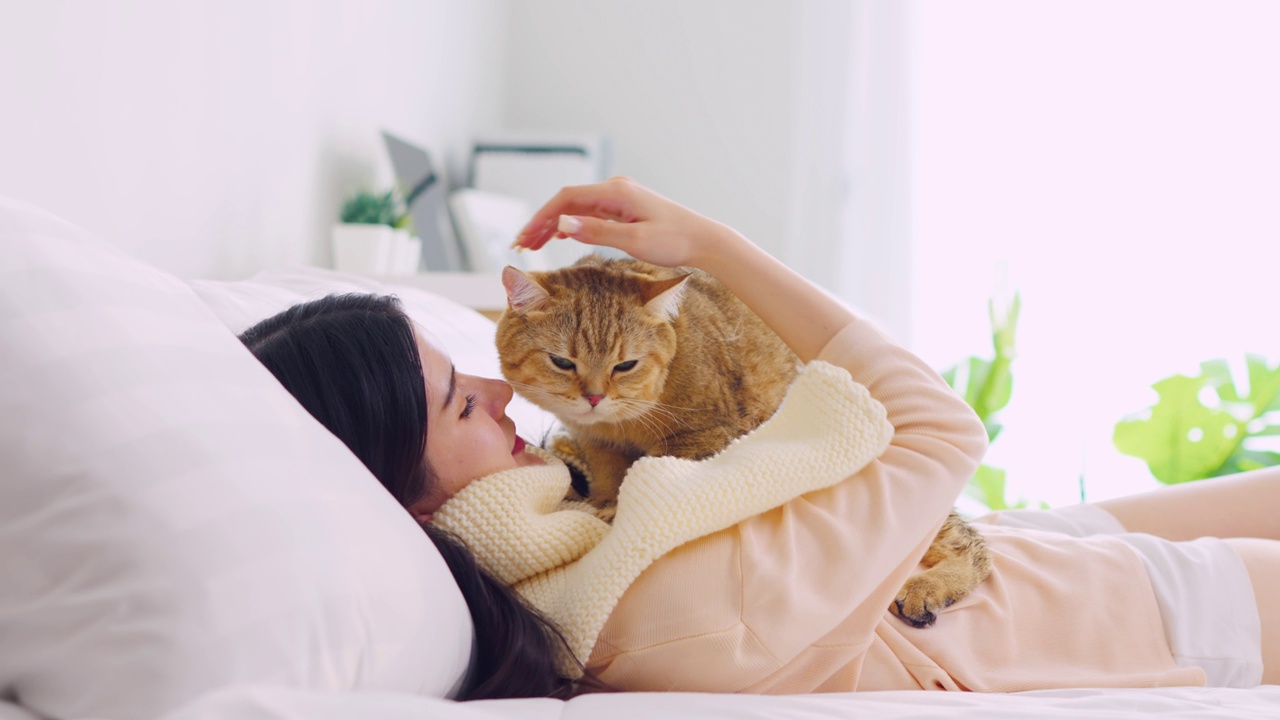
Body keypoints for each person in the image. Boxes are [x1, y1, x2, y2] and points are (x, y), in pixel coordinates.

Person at [241, 177, 1279, 698]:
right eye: (459, 405)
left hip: (1003, 551)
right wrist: (708, 246)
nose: (499, 391)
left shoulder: (562, 529)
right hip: (1098, 617)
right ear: (403, 494)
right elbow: (933, 424)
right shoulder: (655, 604)